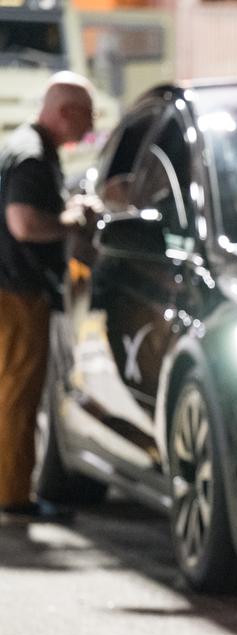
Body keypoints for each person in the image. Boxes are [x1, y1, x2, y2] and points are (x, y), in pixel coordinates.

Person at [0, 72, 99, 523]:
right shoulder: (33, 157)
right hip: (17, 293)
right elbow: (23, 223)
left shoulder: (24, 146)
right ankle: (13, 497)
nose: (91, 126)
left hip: (13, 289)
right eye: (86, 116)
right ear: (64, 112)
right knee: (19, 396)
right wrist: (72, 222)